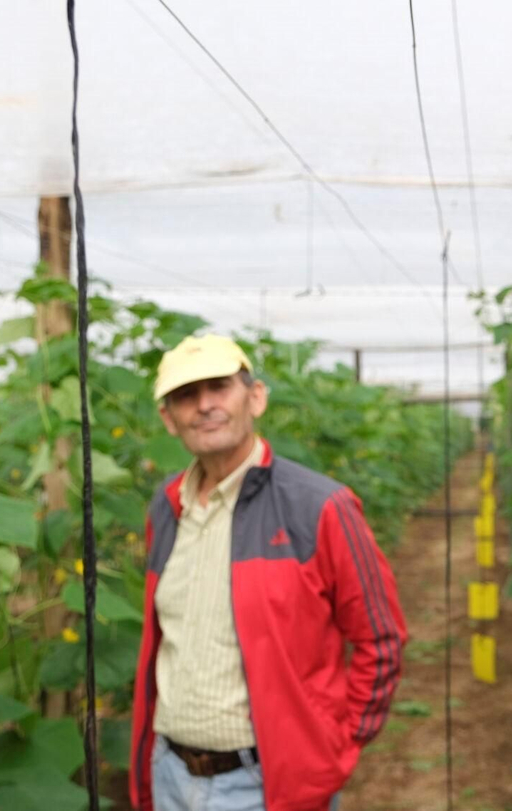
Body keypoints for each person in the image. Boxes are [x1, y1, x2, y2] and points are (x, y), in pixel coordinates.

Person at [129, 334, 406, 811]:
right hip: (169, 773)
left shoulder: (320, 506)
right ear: (167, 418)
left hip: (266, 784)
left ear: (255, 397)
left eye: (219, 387)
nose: (205, 405)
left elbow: (380, 641)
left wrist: (332, 751)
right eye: (185, 396)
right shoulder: (166, 507)